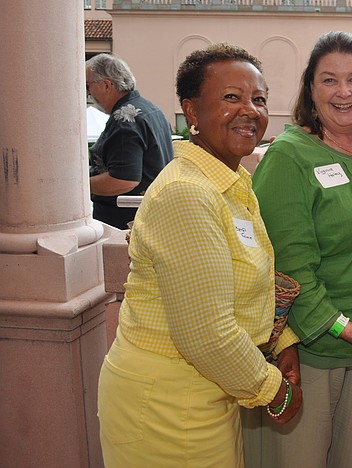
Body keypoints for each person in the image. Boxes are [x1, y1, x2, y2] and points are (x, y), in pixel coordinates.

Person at [97, 43, 302, 467]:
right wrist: (274, 390)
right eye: (232, 97)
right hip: (167, 404)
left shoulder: (229, 183)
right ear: (191, 112)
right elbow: (207, 333)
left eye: (259, 99)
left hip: (208, 391)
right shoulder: (187, 194)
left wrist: (282, 339)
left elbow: (245, 282)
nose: (250, 109)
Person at [249, 31, 352, 468]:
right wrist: (343, 327)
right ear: (310, 89)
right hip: (312, 348)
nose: (344, 92)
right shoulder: (290, 156)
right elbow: (289, 268)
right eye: (329, 80)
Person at [86, 53, 173, 229]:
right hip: (152, 217)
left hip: (126, 224)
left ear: (106, 85)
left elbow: (124, 180)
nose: (88, 92)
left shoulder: (124, 119)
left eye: (88, 86)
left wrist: (78, 186)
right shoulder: (150, 108)